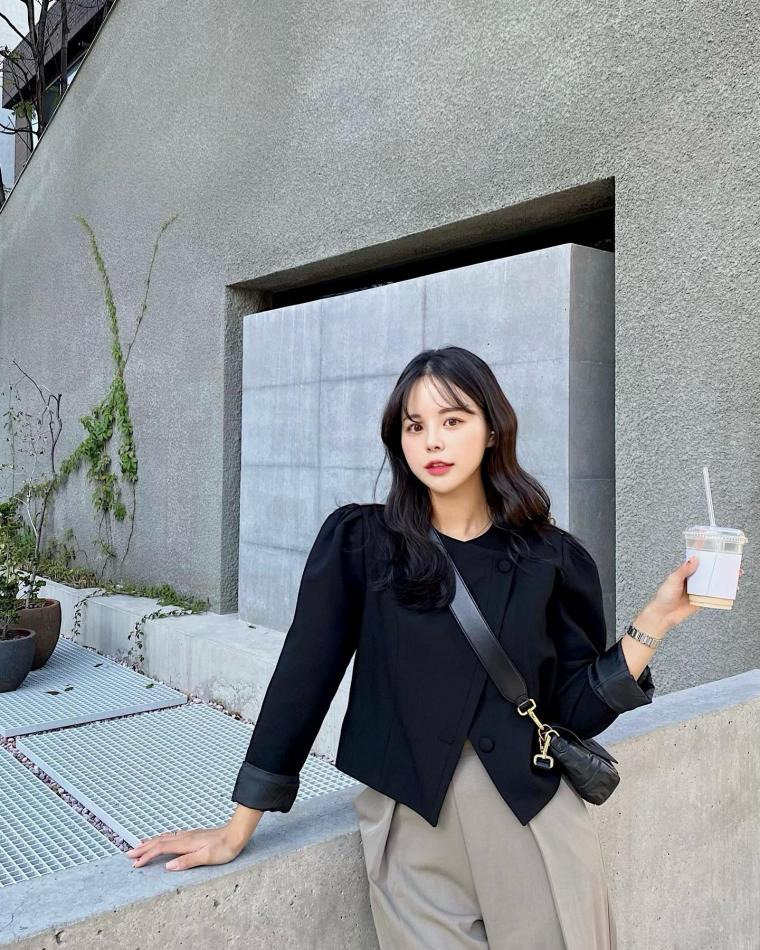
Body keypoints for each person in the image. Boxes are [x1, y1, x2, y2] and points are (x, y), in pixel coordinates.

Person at [126, 346, 717, 948]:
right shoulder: (362, 543)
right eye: (415, 426)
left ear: (492, 430)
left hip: (529, 813)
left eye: (453, 420)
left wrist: (655, 620)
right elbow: (302, 679)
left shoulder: (549, 557)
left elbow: (573, 710)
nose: (433, 440)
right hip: (410, 823)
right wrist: (239, 825)